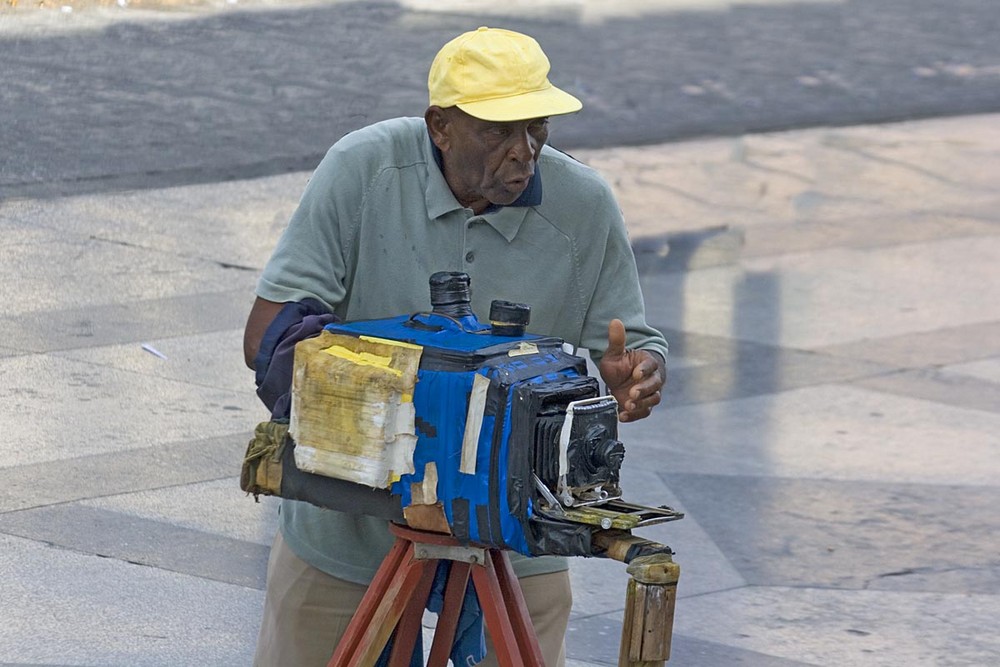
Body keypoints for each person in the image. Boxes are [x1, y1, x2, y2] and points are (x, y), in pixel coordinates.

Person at [243, 26, 668, 667]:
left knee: (529, 623)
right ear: (440, 126)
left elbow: (630, 343)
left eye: (535, 127)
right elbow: (266, 334)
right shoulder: (363, 169)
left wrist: (634, 373)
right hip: (352, 522)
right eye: (497, 131)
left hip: (514, 529)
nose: (523, 151)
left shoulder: (584, 204)